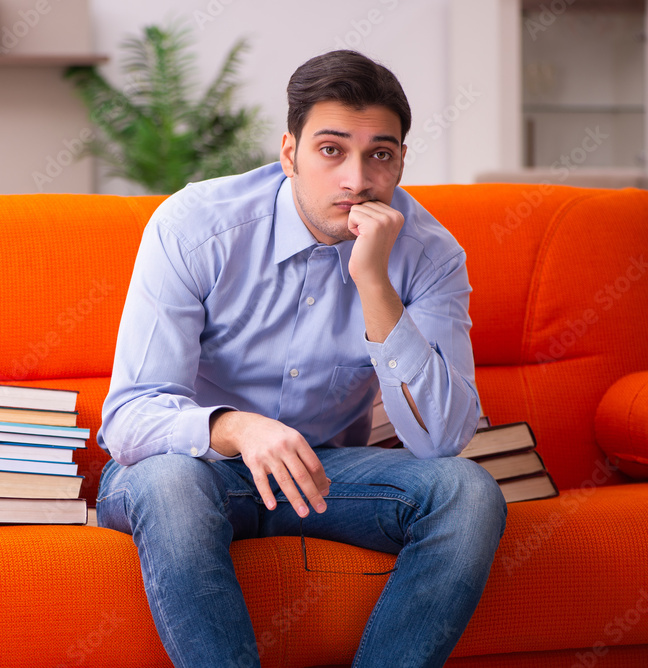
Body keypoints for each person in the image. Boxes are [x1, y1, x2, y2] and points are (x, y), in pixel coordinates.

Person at [95, 49, 507, 668]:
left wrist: (374, 282)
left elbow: (442, 439)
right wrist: (235, 427)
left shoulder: (428, 253)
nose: (357, 180)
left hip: (321, 477)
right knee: (170, 481)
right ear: (289, 152)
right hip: (192, 469)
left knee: (467, 494)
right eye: (331, 149)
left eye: (381, 154)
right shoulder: (194, 226)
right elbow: (128, 418)